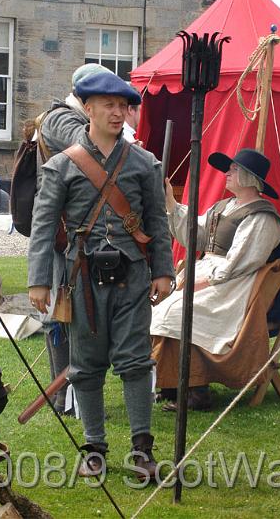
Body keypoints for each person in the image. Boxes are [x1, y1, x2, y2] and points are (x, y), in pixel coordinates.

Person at [28, 71, 174, 479]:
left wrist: (162, 270)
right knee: (85, 366)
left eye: (123, 106)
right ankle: (94, 447)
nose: (118, 113)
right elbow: (43, 226)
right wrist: (39, 279)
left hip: (133, 277)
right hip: (82, 279)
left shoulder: (144, 164)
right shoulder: (62, 166)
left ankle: (142, 449)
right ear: (87, 108)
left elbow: (157, 224)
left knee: (135, 362)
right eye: (108, 105)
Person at [151, 148, 280, 411]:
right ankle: (174, 385)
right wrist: (170, 204)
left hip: (234, 287)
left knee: (177, 312)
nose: (227, 173)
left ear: (249, 177)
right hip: (210, 276)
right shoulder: (224, 206)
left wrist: (207, 281)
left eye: (233, 170)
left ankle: (195, 392)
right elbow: (196, 235)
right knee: (163, 311)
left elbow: (242, 261)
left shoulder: (262, 217)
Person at [32, 63, 112, 415]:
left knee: (77, 311)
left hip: (77, 232)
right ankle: (61, 398)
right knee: (57, 312)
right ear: (85, 97)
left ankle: (73, 395)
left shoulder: (74, 118)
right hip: (59, 232)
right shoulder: (61, 120)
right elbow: (94, 148)